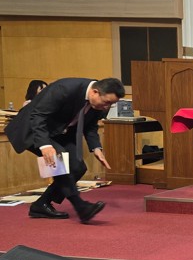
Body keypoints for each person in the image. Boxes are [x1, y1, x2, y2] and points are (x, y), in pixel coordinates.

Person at [5, 77, 124, 224]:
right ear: (94, 92)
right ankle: (81, 207)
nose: (107, 107)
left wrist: (96, 147)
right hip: (33, 129)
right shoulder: (64, 89)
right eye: (106, 102)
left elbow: (91, 126)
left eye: (111, 104)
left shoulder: (100, 103)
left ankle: (41, 204)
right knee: (59, 161)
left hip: (59, 132)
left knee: (78, 167)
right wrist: (45, 145)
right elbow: (38, 116)